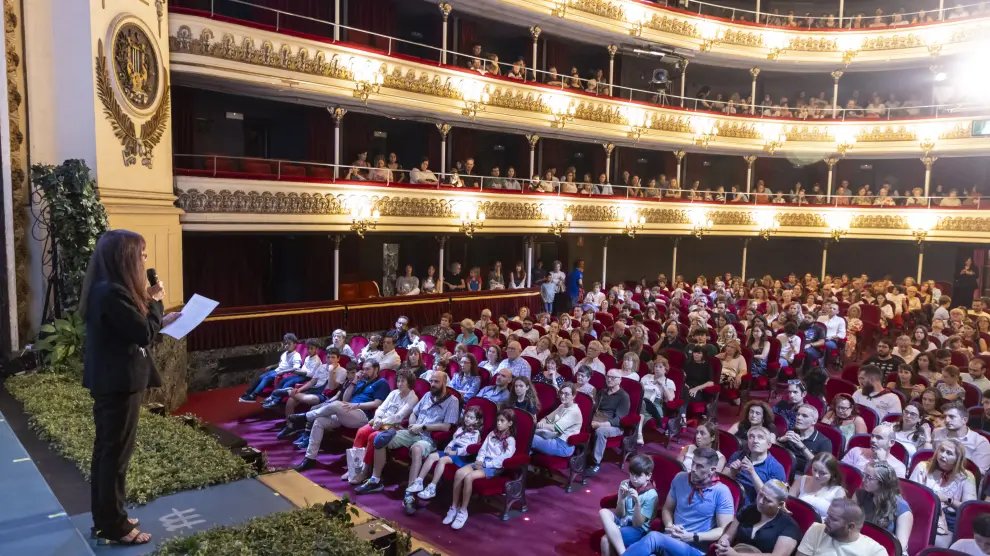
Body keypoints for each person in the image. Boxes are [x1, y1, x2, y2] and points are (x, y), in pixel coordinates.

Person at [82, 230, 180, 545]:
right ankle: (114, 524)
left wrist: (156, 317)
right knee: (114, 454)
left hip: (114, 381)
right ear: (125, 258)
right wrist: (155, 303)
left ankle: (108, 515)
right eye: (141, 254)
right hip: (118, 382)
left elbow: (134, 329)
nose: (145, 260)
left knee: (109, 452)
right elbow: (141, 333)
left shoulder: (107, 289)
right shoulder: (111, 292)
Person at [355, 372, 459, 495]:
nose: (433, 384)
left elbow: (447, 426)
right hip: (412, 432)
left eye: (436, 382)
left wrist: (423, 427)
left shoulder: (452, 401)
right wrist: (412, 424)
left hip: (428, 438)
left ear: (444, 383)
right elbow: (414, 413)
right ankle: (375, 480)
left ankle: (410, 491)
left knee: (416, 449)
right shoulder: (427, 396)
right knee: (379, 439)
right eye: (431, 381)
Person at [622, 448, 735, 556]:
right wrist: (670, 525)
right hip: (671, 539)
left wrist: (693, 536)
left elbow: (723, 530)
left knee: (654, 537)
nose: (693, 469)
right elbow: (667, 509)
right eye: (693, 463)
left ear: (712, 470)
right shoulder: (680, 478)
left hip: (695, 548)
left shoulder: (722, 492)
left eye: (699, 466)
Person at [290, 360, 390, 470]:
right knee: (319, 421)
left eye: (368, 369)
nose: (364, 371)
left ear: (376, 369)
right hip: (347, 412)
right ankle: (310, 458)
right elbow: (345, 399)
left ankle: (306, 417)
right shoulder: (361, 381)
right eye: (364, 369)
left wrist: (357, 405)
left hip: (363, 416)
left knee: (336, 404)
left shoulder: (381, 382)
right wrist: (354, 382)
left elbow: (377, 403)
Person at [443, 409, 517, 529]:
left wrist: (485, 465)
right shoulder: (492, 434)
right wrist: (480, 460)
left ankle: (463, 510)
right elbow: (483, 449)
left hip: (493, 467)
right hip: (482, 462)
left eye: (502, 421)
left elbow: (503, 460)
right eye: (498, 420)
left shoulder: (510, 441)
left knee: (469, 477)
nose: (498, 423)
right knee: (459, 473)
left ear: (510, 423)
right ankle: (454, 507)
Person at [344, 369, 419, 483]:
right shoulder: (394, 393)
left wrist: (382, 422)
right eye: (398, 381)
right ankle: (354, 468)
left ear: (409, 382)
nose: (399, 384)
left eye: (402, 381)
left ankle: (365, 471)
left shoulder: (413, 398)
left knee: (372, 436)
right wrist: (378, 418)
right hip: (380, 421)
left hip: (394, 427)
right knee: (362, 432)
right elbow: (381, 408)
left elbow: (399, 416)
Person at [406, 406, 483, 501]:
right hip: (452, 450)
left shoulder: (476, 434)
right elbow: (454, 440)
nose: (468, 419)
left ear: (477, 421)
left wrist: (455, 452)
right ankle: (419, 481)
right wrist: (448, 447)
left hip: (461, 455)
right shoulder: (460, 429)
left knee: (443, 460)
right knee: (431, 456)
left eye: (471, 418)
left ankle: (432, 487)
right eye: (467, 416)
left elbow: (469, 449)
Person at [910, 438, 978, 546]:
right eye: (941, 450)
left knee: (939, 544)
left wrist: (947, 500)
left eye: (949, 453)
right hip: (920, 514)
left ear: (957, 459)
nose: (942, 455)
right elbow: (909, 496)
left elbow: (969, 510)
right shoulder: (922, 467)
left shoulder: (966, 477)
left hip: (948, 520)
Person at [714, 480, 800, 556]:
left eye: (768, 500)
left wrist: (737, 555)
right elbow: (728, 534)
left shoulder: (789, 526)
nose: (760, 501)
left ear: (780, 504)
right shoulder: (749, 510)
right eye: (760, 495)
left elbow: (778, 555)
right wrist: (723, 544)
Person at [599, 454, 660, 556]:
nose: (634, 479)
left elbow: (638, 524)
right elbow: (619, 514)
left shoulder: (651, 495)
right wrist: (622, 499)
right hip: (624, 521)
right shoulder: (625, 484)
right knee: (603, 512)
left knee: (605, 540)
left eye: (638, 476)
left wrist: (637, 503)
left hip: (638, 530)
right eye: (632, 474)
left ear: (648, 476)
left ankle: (623, 553)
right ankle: (624, 553)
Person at [795, 499, 887, 556]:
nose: (826, 520)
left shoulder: (875, 551)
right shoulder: (817, 529)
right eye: (828, 515)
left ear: (850, 526)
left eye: (833, 519)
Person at [855, 461, 913, 549]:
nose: (863, 480)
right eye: (864, 475)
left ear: (883, 482)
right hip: (858, 545)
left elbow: (900, 547)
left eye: (869, 477)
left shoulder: (902, 509)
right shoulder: (860, 495)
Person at [726, 426, 787, 507]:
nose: (755, 441)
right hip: (728, 499)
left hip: (753, 508)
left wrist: (752, 473)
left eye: (760, 437)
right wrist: (732, 473)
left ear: (768, 445)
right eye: (751, 437)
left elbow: (770, 499)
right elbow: (722, 479)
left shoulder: (776, 468)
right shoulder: (737, 455)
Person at [588, 370, 631, 475]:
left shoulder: (623, 396)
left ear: (619, 380)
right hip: (598, 419)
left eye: (613, 377)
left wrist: (600, 425)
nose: (609, 379)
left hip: (614, 426)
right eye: (608, 377)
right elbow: (594, 410)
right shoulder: (602, 392)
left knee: (600, 431)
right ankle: (580, 455)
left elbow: (618, 420)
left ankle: (596, 462)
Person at [240, 333, 303, 402]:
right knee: (261, 376)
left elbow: (296, 368)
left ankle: (253, 396)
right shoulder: (285, 353)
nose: (286, 346)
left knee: (266, 378)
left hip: (284, 373)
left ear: (294, 344)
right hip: (277, 370)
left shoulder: (296, 355)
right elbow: (280, 364)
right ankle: (248, 393)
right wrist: (272, 366)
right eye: (285, 344)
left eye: (289, 344)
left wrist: (284, 371)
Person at [934, 402, 990, 474]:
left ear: (965, 420)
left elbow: (978, 473)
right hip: (936, 475)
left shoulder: (980, 442)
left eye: (951, 417)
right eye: (944, 417)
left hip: (963, 480)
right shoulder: (937, 433)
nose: (946, 420)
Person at [778, 403, 832, 476]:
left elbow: (822, 467)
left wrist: (802, 447)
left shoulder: (824, 442)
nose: (799, 418)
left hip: (803, 475)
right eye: (798, 414)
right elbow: (773, 452)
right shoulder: (790, 432)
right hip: (783, 468)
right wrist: (780, 440)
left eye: (804, 416)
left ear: (814, 421)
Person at [532, 382, 583, 457]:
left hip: (563, 445)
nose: (562, 396)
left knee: (530, 439)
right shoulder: (562, 406)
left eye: (567, 394)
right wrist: (541, 423)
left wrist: (540, 425)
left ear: (573, 396)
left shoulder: (574, 411)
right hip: (553, 437)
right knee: (528, 436)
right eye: (561, 393)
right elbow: (546, 418)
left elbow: (555, 428)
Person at [789, 453, 846, 517]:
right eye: (814, 470)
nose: (816, 475)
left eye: (822, 473)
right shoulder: (802, 479)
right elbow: (788, 502)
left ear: (832, 474)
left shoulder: (838, 491)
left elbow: (835, 520)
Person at [841, 423, 907, 478]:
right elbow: (841, 474)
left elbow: (890, 491)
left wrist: (882, 463)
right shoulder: (855, 452)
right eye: (872, 436)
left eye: (879, 438)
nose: (873, 440)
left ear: (891, 443)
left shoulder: (898, 467)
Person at [638, 356, 676, 444]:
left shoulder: (669, 382)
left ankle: (637, 433)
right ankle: (638, 433)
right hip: (642, 401)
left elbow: (670, 398)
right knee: (641, 404)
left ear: (665, 369)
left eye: (660, 367)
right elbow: (638, 391)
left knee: (640, 407)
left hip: (655, 406)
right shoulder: (647, 377)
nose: (657, 369)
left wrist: (663, 385)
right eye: (656, 366)